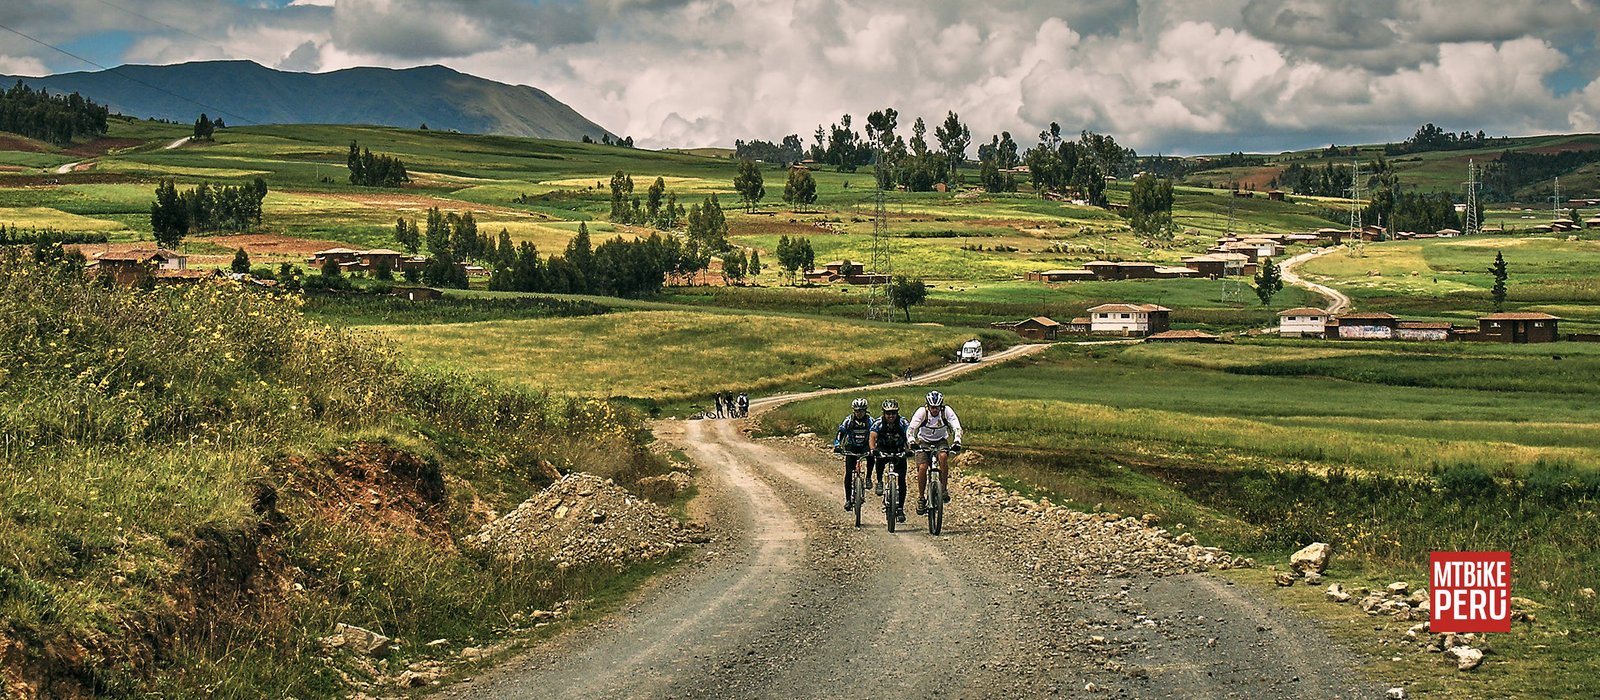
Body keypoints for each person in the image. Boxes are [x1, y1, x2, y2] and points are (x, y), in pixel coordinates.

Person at [907, 390, 962, 515]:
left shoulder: (946, 411)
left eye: (937, 407)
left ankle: (943, 489)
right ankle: (921, 498)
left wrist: (957, 441)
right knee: (922, 467)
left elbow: (956, 427)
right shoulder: (922, 412)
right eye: (932, 407)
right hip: (924, 442)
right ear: (928, 406)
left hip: (940, 441)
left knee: (943, 456)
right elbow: (911, 429)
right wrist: (911, 441)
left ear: (941, 406)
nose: (935, 410)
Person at [869, 398, 910, 523]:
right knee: (880, 461)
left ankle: (900, 509)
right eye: (888, 413)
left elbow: (910, 435)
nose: (891, 416)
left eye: (893, 413)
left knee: (902, 480)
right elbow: (872, 436)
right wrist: (873, 449)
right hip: (883, 448)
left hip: (898, 449)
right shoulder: (878, 423)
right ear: (884, 413)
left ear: (897, 413)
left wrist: (909, 448)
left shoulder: (903, 422)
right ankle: (880, 481)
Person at [832, 397, 874, 511]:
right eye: (856, 411)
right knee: (848, 473)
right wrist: (837, 445)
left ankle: (869, 477)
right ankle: (848, 500)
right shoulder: (849, 420)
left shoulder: (870, 421)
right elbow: (841, 433)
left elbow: (875, 434)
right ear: (853, 411)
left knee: (872, 455)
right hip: (852, 447)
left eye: (861, 411)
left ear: (865, 410)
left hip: (865, 445)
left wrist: (875, 447)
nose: (859, 413)